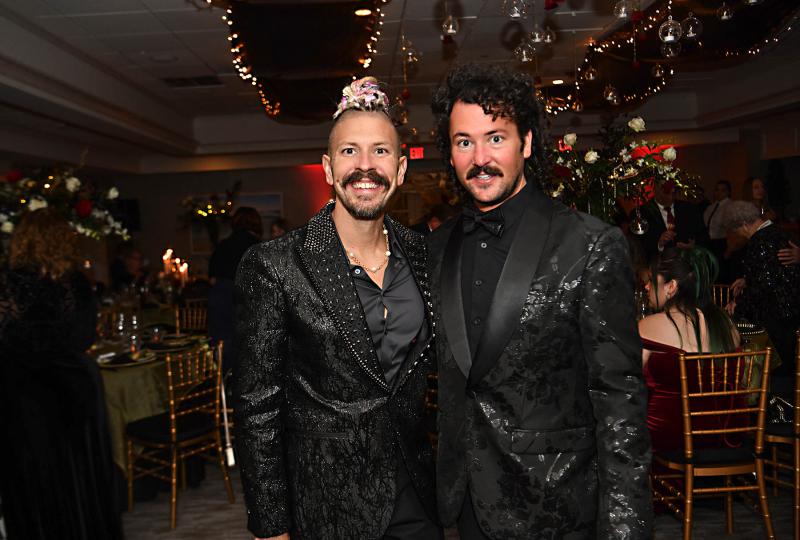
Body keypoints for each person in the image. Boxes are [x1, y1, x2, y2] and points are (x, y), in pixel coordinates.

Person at [429, 63, 652, 539]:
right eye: (464, 141)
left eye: (495, 138)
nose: (479, 157)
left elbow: (620, 399)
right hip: (464, 503)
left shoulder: (590, 245)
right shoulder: (436, 247)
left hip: (556, 507)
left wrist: (625, 527)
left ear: (526, 143)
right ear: (450, 153)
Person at [233, 77, 440, 540]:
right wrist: (270, 525)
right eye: (350, 151)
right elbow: (255, 407)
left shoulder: (425, 256)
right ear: (328, 168)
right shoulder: (275, 265)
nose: (365, 167)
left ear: (402, 168)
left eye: (381, 152)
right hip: (326, 506)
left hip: (417, 497)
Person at [0, 209, 122, 540]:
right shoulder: (75, 283)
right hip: (71, 386)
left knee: (32, 476)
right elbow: (85, 337)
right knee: (79, 473)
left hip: (20, 388)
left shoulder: (6, 283)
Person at [638, 248, 741, 453]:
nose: (647, 286)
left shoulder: (649, 325)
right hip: (726, 435)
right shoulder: (725, 324)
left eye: (652, 280)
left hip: (672, 438)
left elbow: (628, 379)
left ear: (671, 286)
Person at [722, 200, 800, 383]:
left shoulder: (758, 241)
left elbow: (764, 286)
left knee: (774, 375)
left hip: (776, 318)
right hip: (792, 312)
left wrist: (737, 303)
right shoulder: (781, 232)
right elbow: (777, 271)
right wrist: (749, 279)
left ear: (743, 225)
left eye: (736, 230)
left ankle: (769, 407)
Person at [208, 207, 263, 374]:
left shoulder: (223, 245)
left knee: (222, 344)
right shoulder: (258, 247)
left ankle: (223, 385)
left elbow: (212, 278)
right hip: (246, 296)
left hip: (220, 297)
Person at [636, 179, 708, 264]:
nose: (670, 197)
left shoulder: (689, 208)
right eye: (666, 192)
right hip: (657, 266)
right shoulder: (641, 212)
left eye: (674, 193)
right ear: (656, 189)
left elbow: (704, 235)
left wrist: (694, 245)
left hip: (687, 265)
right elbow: (638, 245)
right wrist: (659, 243)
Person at [703, 179, 733, 282]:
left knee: (721, 276)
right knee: (710, 276)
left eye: (723, 190)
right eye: (717, 189)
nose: (719, 192)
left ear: (728, 192)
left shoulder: (730, 206)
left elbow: (732, 230)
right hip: (709, 244)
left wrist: (728, 250)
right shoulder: (710, 207)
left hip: (722, 244)